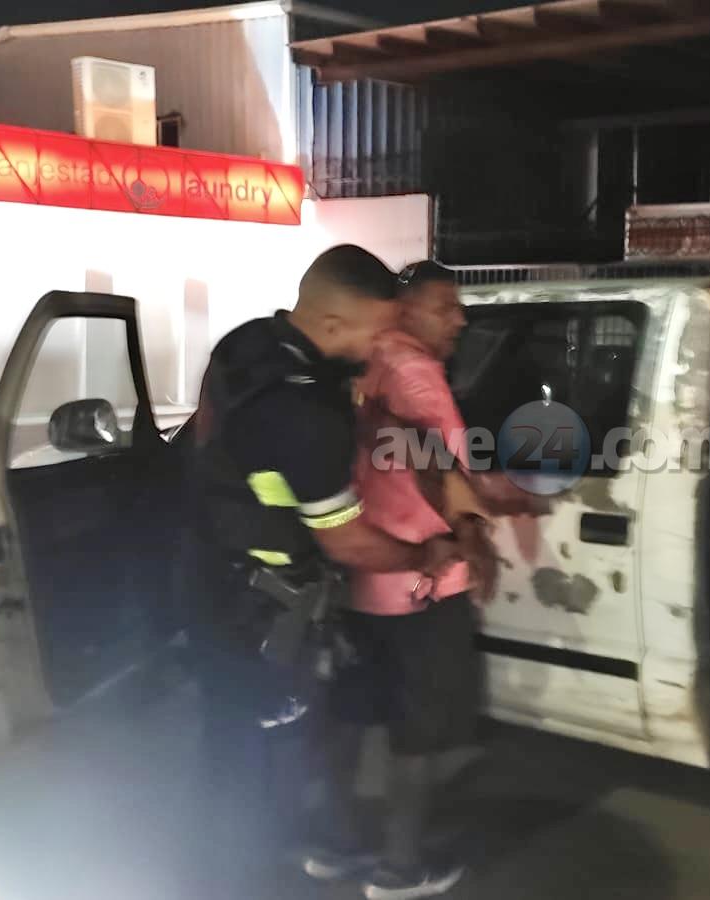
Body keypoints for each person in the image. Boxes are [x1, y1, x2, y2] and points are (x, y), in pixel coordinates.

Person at [183, 245, 463, 896]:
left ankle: (265, 858)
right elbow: (349, 544)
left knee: (234, 742)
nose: (382, 345)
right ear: (333, 324)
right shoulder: (304, 417)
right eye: (376, 331)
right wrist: (425, 556)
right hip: (258, 608)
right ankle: (240, 878)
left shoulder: (248, 345)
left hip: (212, 578)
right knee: (264, 754)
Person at [303, 261, 495, 900]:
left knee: (351, 716)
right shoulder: (415, 372)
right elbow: (439, 458)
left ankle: (333, 846)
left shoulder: (355, 364)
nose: (459, 319)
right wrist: (470, 529)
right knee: (418, 732)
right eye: (445, 307)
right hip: (420, 584)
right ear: (405, 310)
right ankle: (399, 868)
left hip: (357, 576)